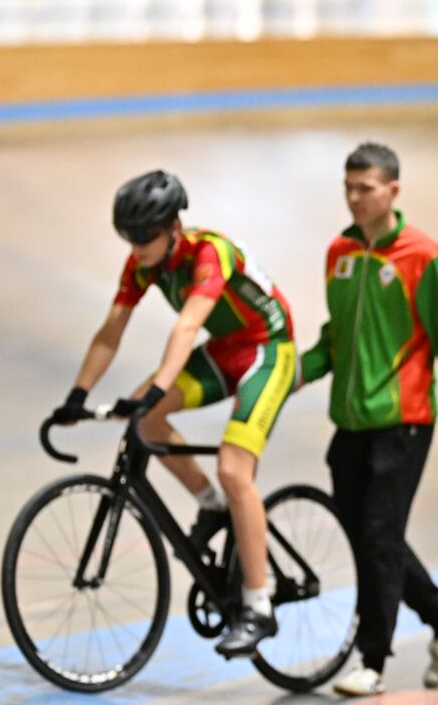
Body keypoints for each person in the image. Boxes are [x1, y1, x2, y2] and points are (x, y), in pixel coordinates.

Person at [51, 170, 297, 657]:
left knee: (233, 467)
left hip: (268, 349)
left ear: (173, 226)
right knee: (143, 420)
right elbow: (110, 332)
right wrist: (78, 395)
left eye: (145, 236)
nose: (136, 246)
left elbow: (186, 328)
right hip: (227, 349)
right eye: (129, 237)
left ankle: (259, 605)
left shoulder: (210, 254)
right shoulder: (143, 264)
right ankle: (212, 505)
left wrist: (157, 385)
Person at [300, 142, 438, 698]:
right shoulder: (339, 253)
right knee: (368, 538)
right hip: (350, 424)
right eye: (348, 188)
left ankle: (373, 661)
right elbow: (334, 339)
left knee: (379, 534)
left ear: (393, 191)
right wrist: (290, 373)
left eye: (366, 188)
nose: (355, 199)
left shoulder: (425, 258)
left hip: (404, 422)